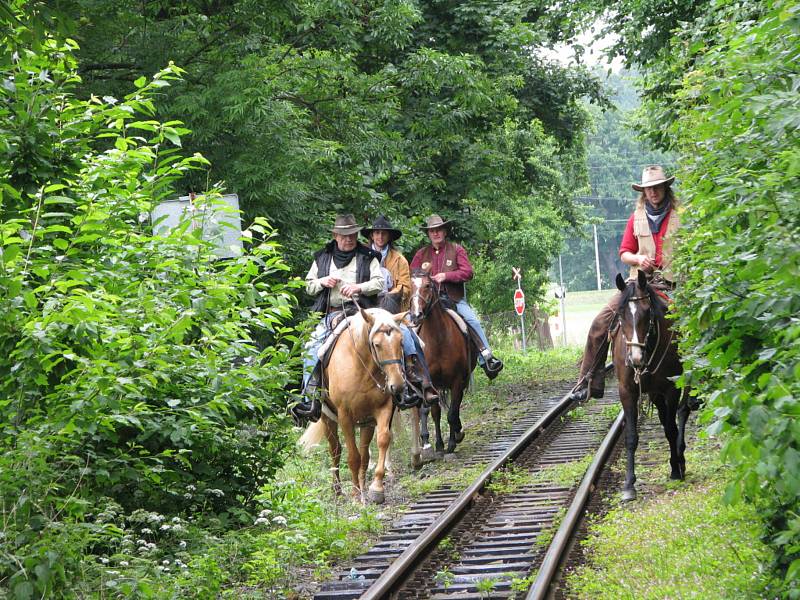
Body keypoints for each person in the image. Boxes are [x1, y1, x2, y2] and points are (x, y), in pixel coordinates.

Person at [571, 165, 681, 400]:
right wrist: (639, 258)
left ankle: (698, 382)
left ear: (665, 188)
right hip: (639, 283)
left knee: (693, 324)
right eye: (648, 189)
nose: (652, 193)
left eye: (656, 188)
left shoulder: (681, 216)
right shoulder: (635, 218)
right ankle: (588, 380)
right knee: (601, 321)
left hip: (673, 284)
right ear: (643, 192)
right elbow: (624, 253)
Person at [292, 214, 384, 422]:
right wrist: (323, 281)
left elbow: (380, 283)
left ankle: (409, 384)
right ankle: (311, 397)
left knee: (398, 334)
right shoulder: (322, 257)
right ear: (335, 235)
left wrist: (358, 287)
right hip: (331, 312)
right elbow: (308, 286)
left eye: (352, 234)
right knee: (311, 347)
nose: (349, 239)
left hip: (364, 310)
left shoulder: (368, 256)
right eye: (344, 235)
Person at [410, 214, 504, 379]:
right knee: (408, 328)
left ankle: (487, 358)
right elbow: (413, 275)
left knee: (472, 320)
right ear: (428, 234)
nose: (435, 233)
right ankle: (409, 368)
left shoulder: (457, 249)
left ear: (445, 231)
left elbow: (468, 272)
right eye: (432, 231)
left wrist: (446, 276)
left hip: (453, 300)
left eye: (438, 230)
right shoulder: (421, 254)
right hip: (427, 303)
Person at [363, 215, 439, 405]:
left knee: (409, 336)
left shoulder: (399, 260)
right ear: (372, 235)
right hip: (367, 309)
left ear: (389, 237)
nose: (380, 237)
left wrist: (389, 293)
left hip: (392, 309)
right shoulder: (362, 255)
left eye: (384, 234)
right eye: (377, 233)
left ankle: (418, 378)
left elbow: (405, 286)